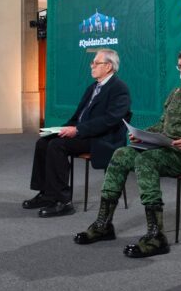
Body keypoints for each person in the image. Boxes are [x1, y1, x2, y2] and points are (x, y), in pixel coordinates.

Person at [73, 45, 181, 258]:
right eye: (180, 67)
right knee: (121, 154)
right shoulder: (178, 92)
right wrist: (141, 135)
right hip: (169, 150)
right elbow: (162, 125)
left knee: (146, 161)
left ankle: (156, 235)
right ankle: (104, 224)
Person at [23, 49, 131, 218]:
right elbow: (78, 117)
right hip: (85, 133)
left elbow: (110, 120)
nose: (92, 66)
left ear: (108, 66)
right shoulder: (93, 87)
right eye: (92, 63)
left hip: (102, 138)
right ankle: (46, 194)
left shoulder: (119, 89)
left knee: (57, 146)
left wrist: (78, 130)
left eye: (96, 63)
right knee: (44, 142)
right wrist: (58, 130)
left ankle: (63, 201)